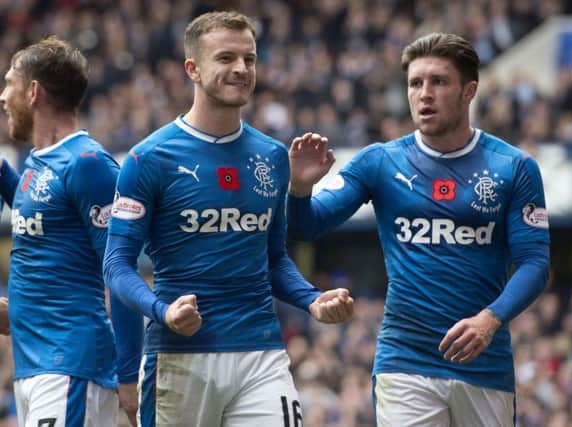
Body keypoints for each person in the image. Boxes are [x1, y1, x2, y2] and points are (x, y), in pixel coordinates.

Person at [103, 11, 354, 427]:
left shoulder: (273, 157)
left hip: (261, 353)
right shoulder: (149, 159)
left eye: (249, 59)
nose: (241, 69)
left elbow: (274, 260)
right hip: (181, 355)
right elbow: (116, 265)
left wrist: (312, 299)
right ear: (193, 69)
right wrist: (162, 310)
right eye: (226, 58)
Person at [288, 32, 550, 426]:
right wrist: (300, 187)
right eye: (415, 83)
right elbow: (308, 225)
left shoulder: (513, 167)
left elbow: (535, 262)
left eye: (439, 82)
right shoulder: (379, 162)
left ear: (469, 91)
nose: (424, 94)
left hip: (483, 364)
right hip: (404, 359)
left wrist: (490, 320)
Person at [0, 36, 140, 426]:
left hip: (70, 366)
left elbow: (121, 270)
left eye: (8, 83)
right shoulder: (38, 161)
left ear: (33, 92)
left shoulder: (88, 163)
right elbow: (49, 221)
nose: (1, 96)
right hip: (34, 364)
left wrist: (129, 375)